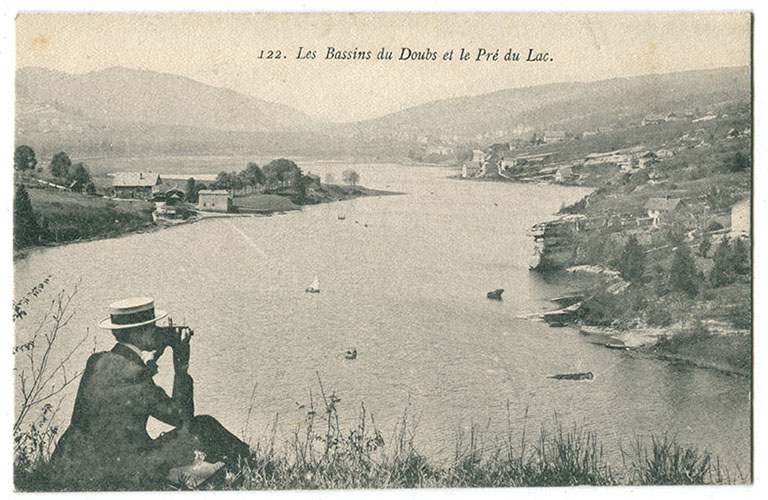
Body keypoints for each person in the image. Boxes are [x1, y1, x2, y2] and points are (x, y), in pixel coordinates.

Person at [47, 297, 249, 490]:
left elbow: (125, 375)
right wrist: (181, 366)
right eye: (153, 327)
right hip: (120, 471)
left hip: (71, 466)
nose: (157, 331)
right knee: (204, 425)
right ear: (139, 333)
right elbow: (180, 417)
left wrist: (150, 358)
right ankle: (248, 462)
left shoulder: (96, 361)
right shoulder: (136, 375)